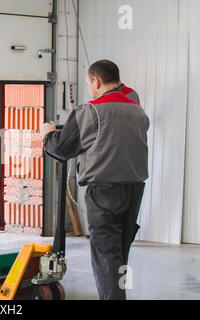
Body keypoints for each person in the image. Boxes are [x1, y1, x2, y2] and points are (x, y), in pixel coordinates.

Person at [40, 59, 150, 300]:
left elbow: (63, 148)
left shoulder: (90, 111)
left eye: (89, 83)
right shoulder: (138, 110)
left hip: (103, 192)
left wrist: (48, 135)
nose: (89, 88)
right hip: (134, 189)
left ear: (96, 81)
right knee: (120, 252)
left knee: (106, 254)